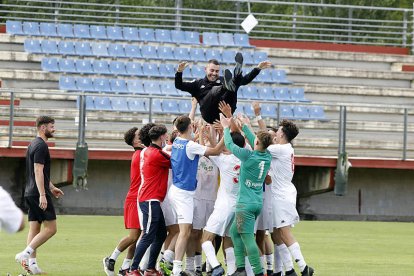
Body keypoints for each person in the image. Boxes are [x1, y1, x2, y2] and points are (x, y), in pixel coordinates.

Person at [253, 103, 314, 276]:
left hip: (281, 196)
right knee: (278, 233)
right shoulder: (285, 149)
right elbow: (265, 138)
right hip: (281, 194)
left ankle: (303, 267)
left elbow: (260, 141)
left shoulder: (281, 149)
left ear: (282, 134)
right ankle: (289, 270)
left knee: (284, 233)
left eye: (278, 131)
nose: (276, 133)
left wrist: (255, 119)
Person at [169, 115, 225, 276]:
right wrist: (226, 131)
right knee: (185, 232)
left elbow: (190, 138)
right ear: (191, 127)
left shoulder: (177, 142)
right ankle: (177, 269)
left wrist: (199, 131)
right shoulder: (189, 145)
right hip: (184, 194)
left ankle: (179, 266)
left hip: (177, 190)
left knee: (186, 232)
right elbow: (215, 151)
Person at [219, 113, 272, 276]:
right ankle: (240, 268)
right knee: (235, 232)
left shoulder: (248, 156)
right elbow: (255, 139)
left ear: (256, 142)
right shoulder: (267, 156)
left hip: (245, 204)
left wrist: (226, 127)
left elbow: (229, 144)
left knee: (248, 238)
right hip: (256, 202)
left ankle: (258, 272)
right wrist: (245, 126)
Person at [15, 115, 64, 275]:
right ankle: (25, 254)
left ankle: (33, 266)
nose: (54, 129)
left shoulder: (32, 144)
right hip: (37, 193)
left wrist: (51, 187)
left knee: (34, 228)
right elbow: (37, 170)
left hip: (30, 192)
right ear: (43, 128)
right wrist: (43, 194)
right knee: (51, 228)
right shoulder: (41, 146)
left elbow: (40, 171)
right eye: (51, 126)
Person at [103, 125, 153, 276]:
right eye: (139, 135)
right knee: (133, 236)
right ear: (135, 141)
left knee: (138, 236)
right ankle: (111, 259)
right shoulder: (140, 155)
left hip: (139, 197)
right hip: (134, 199)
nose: (143, 136)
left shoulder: (141, 153)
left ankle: (125, 267)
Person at [175, 53, 271, 124]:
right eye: (212, 70)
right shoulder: (197, 84)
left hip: (225, 112)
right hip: (209, 114)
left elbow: (245, 81)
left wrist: (257, 69)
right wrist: (179, 72)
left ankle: (237, 72)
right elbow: (179, 85)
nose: (214, 73)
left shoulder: (223, 79)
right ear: (205, 69)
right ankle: (229, 83)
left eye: (217, 71)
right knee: (216, 89)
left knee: (235, 86)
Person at [127, 124, 171, 276]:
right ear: (160, 137)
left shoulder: (148, 151)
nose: (167, 138)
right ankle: (133, 269)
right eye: (166, 136)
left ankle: (150, 269)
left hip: (150, 199)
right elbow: (175, 163)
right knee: (148, 234)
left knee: (160, 234)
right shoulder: (156, 154)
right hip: (150, 199)